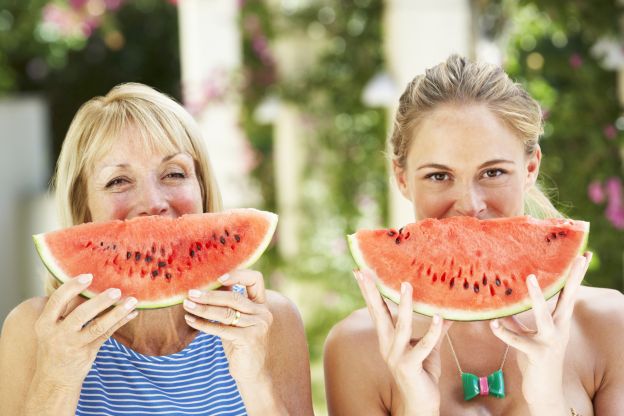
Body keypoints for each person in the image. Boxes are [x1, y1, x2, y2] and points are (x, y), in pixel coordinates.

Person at [324, 55, 624, 415]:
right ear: (402, 178)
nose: (470, 205)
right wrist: (417, 406)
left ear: (530, 168)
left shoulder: (610, 327)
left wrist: (548, 401)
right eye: (438, 176)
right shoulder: (357, 347)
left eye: (493, 172)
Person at [0, 83, 314, 416]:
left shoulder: (269, 321)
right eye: (118, 181)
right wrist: (57, 379)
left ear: (203, 188)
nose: (153, 203)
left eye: (174, 173)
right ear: (83, 204)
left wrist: (256, 379)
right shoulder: (34, 330)